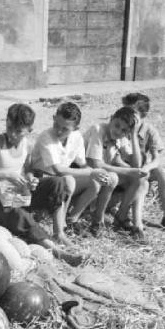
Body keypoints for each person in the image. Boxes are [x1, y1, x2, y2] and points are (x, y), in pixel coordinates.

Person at [0, 103, 84, 266]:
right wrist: (6, 175)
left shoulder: (26, 145)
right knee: (17, 212)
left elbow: (27, 168)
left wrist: (31, 179)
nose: (12, 133)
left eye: (18, 131)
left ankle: (59, 232)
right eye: (9, 127)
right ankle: (54, 249)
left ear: (29, 131)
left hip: (15, 193)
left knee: (58, 182)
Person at [29, 101, 117, 237]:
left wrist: (99, 175)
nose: (58, 130)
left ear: (76, 128)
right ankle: (60, 226)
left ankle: (72, 220)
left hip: (60, 181)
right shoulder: (46, 137)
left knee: (94, 183)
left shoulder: (76, 138)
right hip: (41, 182)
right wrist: (92, 172)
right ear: (53, 118)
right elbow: (58, 170)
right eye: (56, 125)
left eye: (65, 129)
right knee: (69, 180)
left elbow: (82, 164)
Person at [121, 93, 165, 234]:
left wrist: (147, 167)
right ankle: (132, 221)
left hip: (142, 168)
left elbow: (156, 159)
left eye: (132, 113)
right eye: (125, 110)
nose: (128, 116)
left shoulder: (149, 130)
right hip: (124, 168)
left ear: (143, 115)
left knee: (162, 172)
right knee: (141, 178)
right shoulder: (121, 127)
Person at [84, 106, 149, 241]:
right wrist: (129, 171)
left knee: (142, 181)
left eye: (124, 130)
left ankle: (130, 221)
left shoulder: (122, 137)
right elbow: (95, 164)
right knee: (113, 177)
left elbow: (136, 164)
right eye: (117, 125)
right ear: (111, 118)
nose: (118, 131)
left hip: (103, 175)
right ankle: (98, 220)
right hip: (87, 173)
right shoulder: (98, 130)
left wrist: (134, 136)